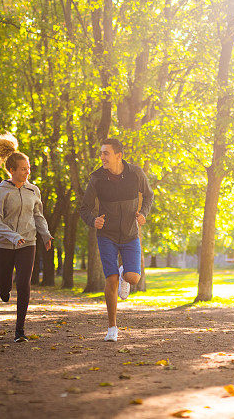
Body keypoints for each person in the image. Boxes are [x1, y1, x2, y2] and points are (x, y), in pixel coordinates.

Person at [79, 138, 153, 342]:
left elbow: (149, 196)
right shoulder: (96, 179)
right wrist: (93, 221)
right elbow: (84, 209)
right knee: (110, 280)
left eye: (106, 153)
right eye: (101, 153)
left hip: (130, 234)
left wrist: (143, 214)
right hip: (107, 236)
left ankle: (124, 273)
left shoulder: (136, 174)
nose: (102, 157)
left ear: (119, 156)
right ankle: (112, 328)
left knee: (133, 278)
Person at [0, 133, 53, 343]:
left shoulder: (33, 191)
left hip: (27, 243)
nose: (27, 171)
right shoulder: (1, 192)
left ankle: (19, 330)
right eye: (23, 169)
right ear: (11, 170)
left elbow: (38, 216)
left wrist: (46, 234)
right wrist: (12, 236)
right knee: (5, 289)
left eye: (28, 168)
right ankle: (3, 290)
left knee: (24, 284)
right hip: (4, 245)